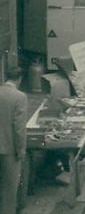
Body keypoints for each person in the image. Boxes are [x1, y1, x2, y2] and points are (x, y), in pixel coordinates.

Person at [0, 67, 26, 214]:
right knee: (9, 190)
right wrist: (21, 150)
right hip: (9, 148)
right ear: (20, 79)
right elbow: (19, 128)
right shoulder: (19, 97)